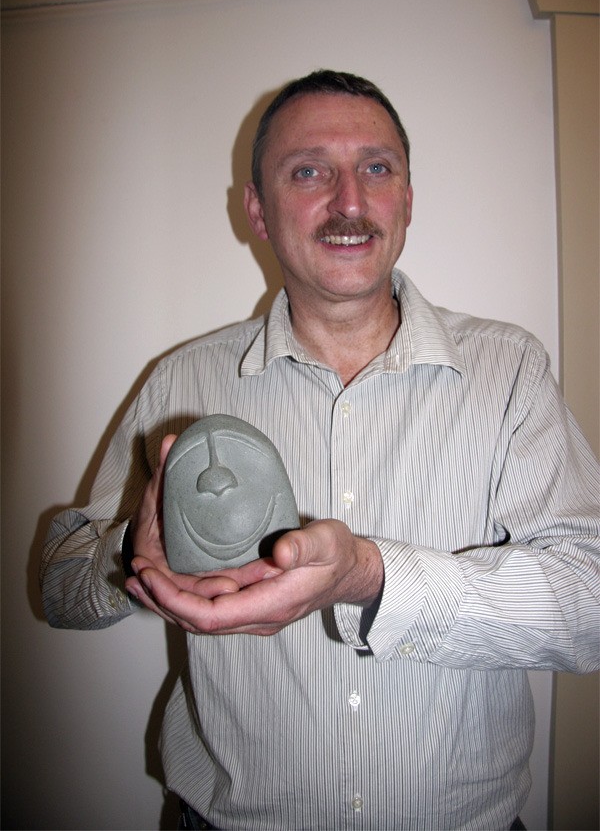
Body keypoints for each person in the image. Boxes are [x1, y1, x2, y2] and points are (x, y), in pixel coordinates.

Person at [41, 70, 599, 831]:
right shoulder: (180, 382)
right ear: (257, 210)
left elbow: (589, 600)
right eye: (309, 171)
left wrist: (371, 576)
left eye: (377, 168)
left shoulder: (511, 373)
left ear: (408, 198)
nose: (350, 202)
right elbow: (59, 589)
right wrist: (131, 554)